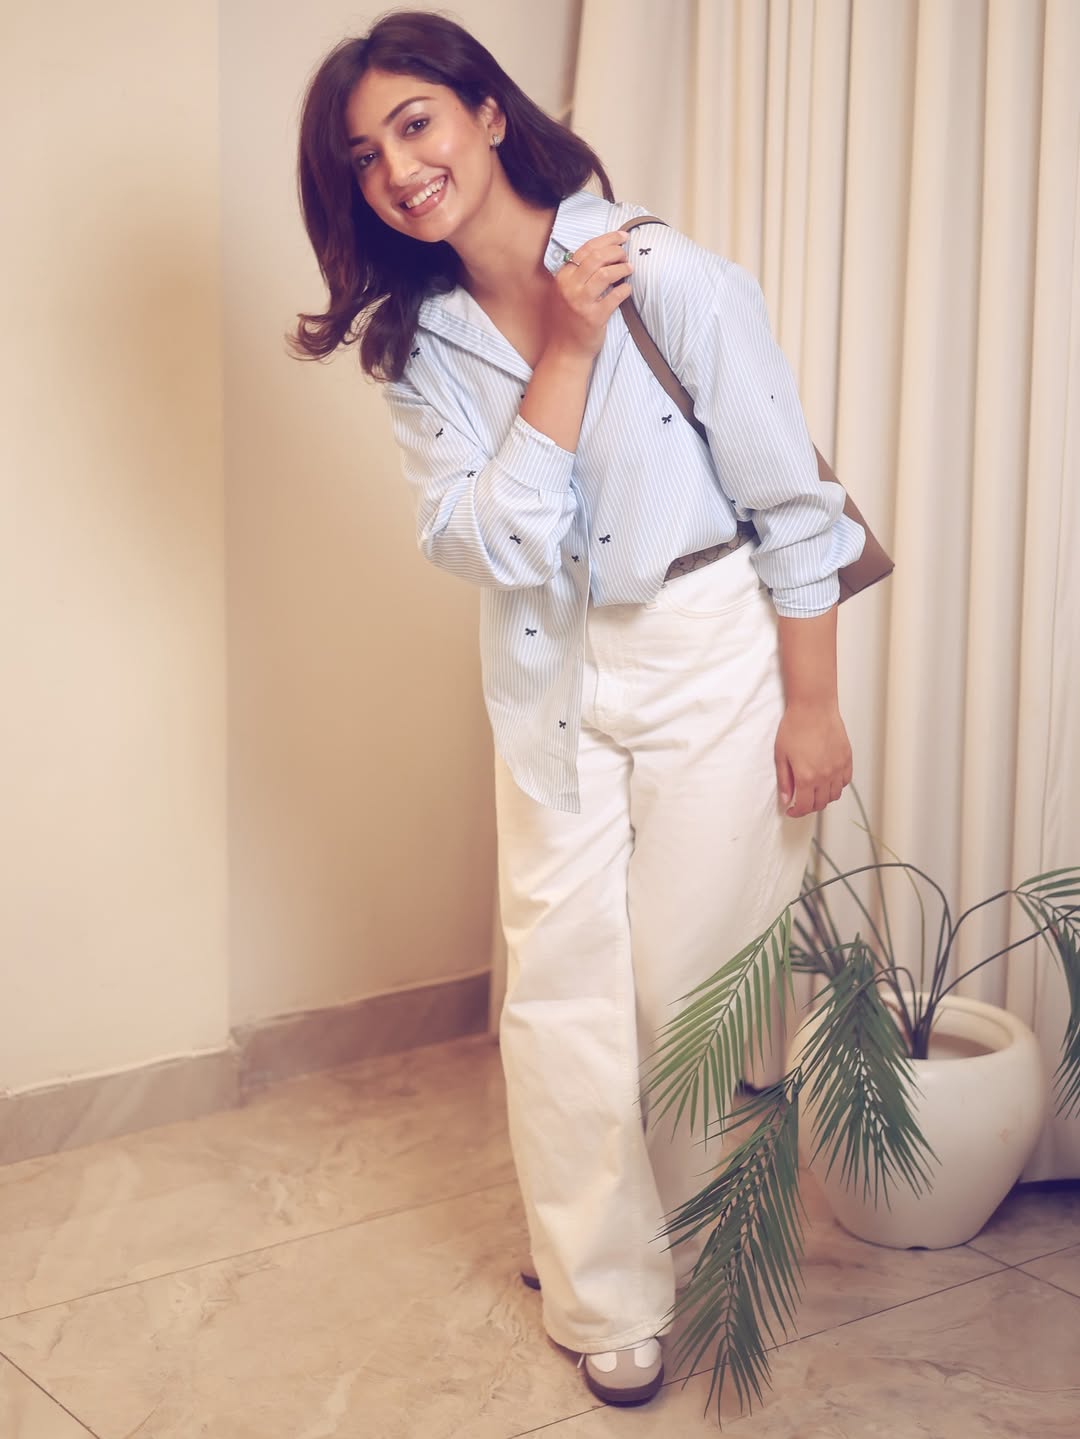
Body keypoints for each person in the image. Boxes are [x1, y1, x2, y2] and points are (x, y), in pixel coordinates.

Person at [292, 9, 863, 1409]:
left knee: (683, 987)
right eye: (363, 157)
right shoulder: (418, 345)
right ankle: (602, 1286)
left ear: (487, 114)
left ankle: (642, 1236)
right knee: (559, 986)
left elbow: (795, 506)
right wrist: (560, 355)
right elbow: (486, 545)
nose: (398, 170)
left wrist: (813, 705)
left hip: (709, 646)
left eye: (415, 124)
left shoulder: (668, 276)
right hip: (546, 666)